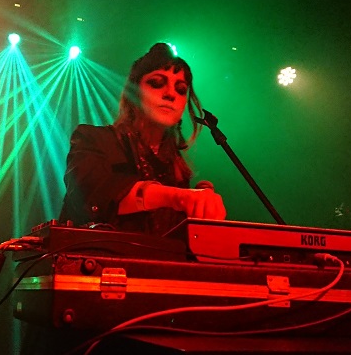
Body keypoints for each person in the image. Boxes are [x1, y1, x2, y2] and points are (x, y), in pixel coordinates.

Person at [59, 42, 226, 235]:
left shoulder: (177, 171)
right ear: (134, 92)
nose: (170, 94)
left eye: (180, 89)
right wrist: (178, 197)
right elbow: (91, 195)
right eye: (157, 83)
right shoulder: (92, 139)